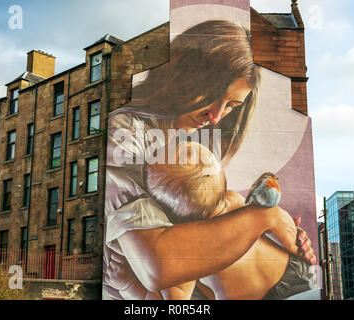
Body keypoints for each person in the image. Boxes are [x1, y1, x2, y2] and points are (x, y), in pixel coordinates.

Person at [103, 19, 316, 300]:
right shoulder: (126, 130)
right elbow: (159, 267)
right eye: (212, 96)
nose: (216, 116)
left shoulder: (203, 140)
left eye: (231, 105)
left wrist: (285, 234)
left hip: (290, 280)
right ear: (183, 73)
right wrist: (266, 217)